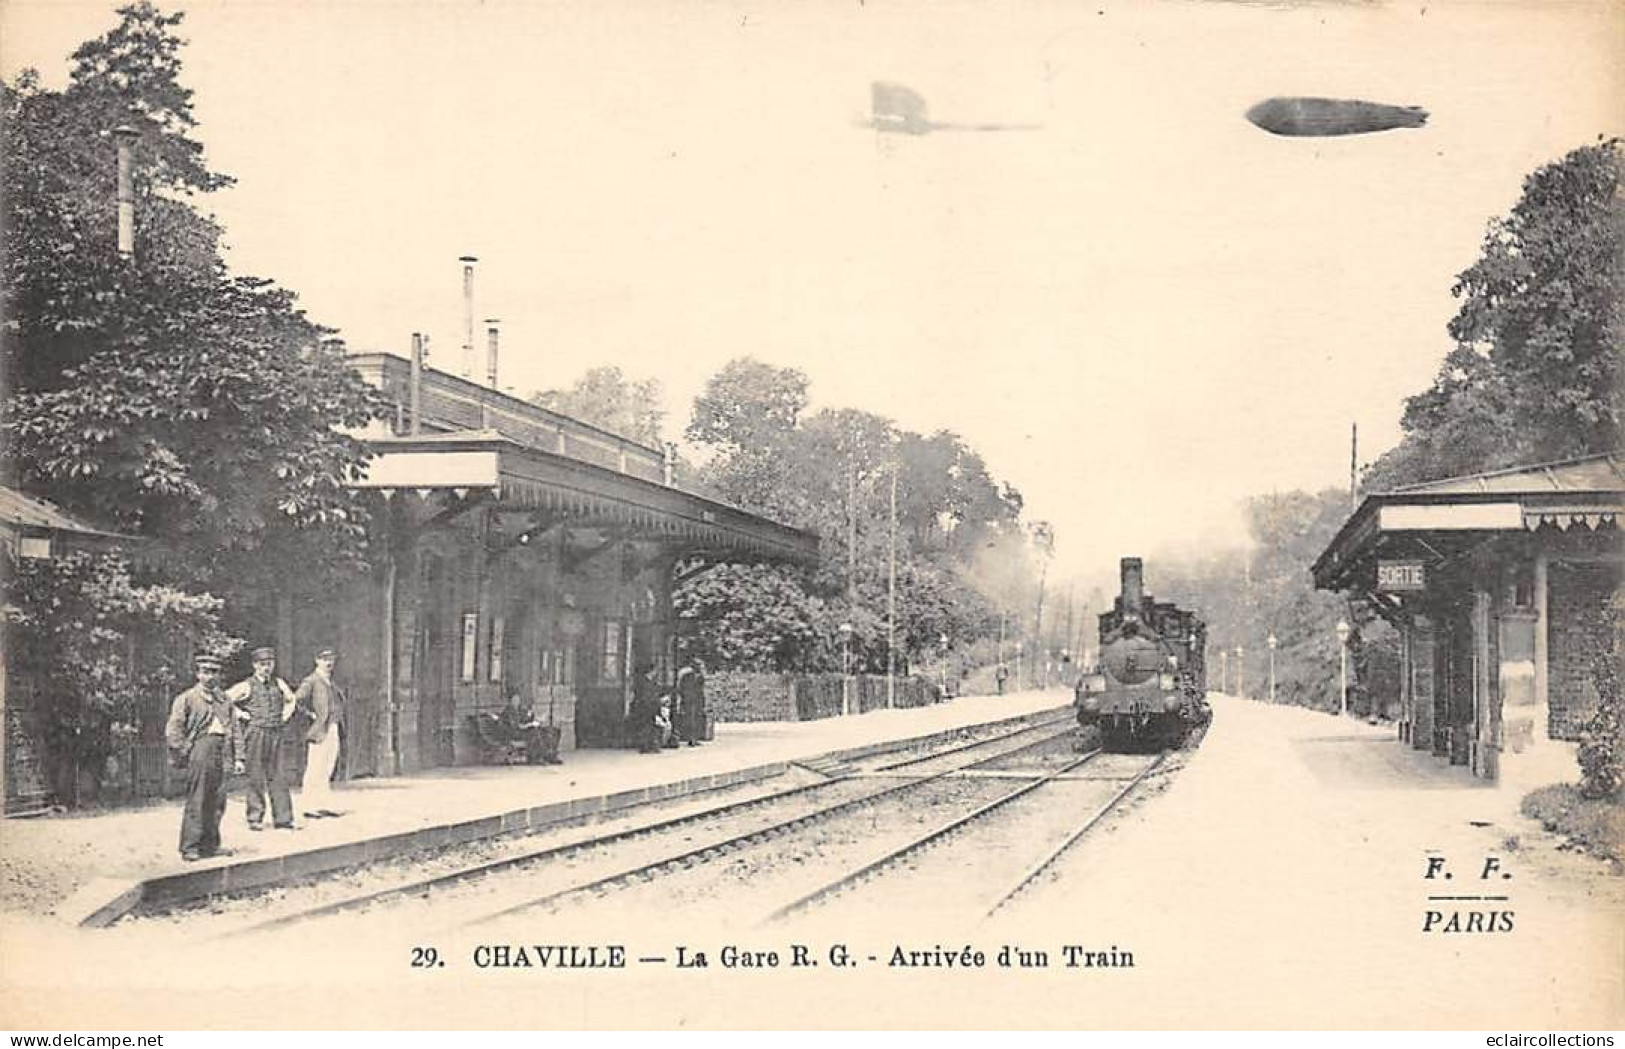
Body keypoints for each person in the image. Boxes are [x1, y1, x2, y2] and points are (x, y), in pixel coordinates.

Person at [164, 654, 245, 861]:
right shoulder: (187, 698)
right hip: (200, 750)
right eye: (206, 672)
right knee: (197, 799)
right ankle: (190, 846)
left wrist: (239, 758)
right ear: (198, 674)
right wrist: (187, 750)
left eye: (214, 672)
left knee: (218, 800)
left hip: (222, 749)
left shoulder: (224, 700)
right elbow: (173, 730)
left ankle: (210, 845)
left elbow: (235, 729)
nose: (210, 677)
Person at [228, 646, 299, 830]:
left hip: (275, 732)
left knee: (278, 775)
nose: (266, 668)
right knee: (256, 776)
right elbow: (225, 701)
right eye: (261, 665)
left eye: (269, 664)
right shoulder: (246, 685)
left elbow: (292, 700)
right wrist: (243, 715)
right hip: (256, 733)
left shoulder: (279, 683)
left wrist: (284, 716)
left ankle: (283, 818)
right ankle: (255, 818)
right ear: (255, 666)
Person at [293, 648, 345, 819]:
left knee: (328, 766)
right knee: (315, 767)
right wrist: (311, 716)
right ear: (317, 661)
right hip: (319, 729)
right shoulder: (311, 681)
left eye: (331, 658)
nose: (328, 662)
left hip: (333, 727)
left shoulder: (331, 682)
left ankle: (323, 804)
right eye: (324, 659)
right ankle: (309, 805)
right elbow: (297, 700)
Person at [497, 692, 562, 765]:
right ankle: (536, 757)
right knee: (535, 733)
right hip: (516, 734)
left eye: (518, 699)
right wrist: (529, 725)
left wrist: (533, 718)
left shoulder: (520, 709)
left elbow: (526, 719)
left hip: (526, 730)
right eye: (514, 699)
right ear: (510, 701)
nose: (517, 701)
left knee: (552, 731)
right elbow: (516, 726)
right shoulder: (508, 712)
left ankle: (552, 754)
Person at [628, 662, 662, 754]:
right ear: (651, 671)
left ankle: (650, 746)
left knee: (650, 726)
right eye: (655, 670)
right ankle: (645, 746)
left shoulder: (650, 682)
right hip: (645, 706)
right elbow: (644, 695)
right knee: (646, 727)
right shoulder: (643, 682)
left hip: (650, 706)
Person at [676, 658, 707, 746]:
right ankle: (690, 738)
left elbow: (701, 691)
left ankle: (695, 738)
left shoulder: (701, 677)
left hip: (697, 701)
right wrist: (684, 699)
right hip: (689, 701)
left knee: (697, 719)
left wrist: (703, 702)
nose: (701, 668)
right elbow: (682, 688)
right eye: (700, 666)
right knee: (690, 720)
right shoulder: (687, 677)